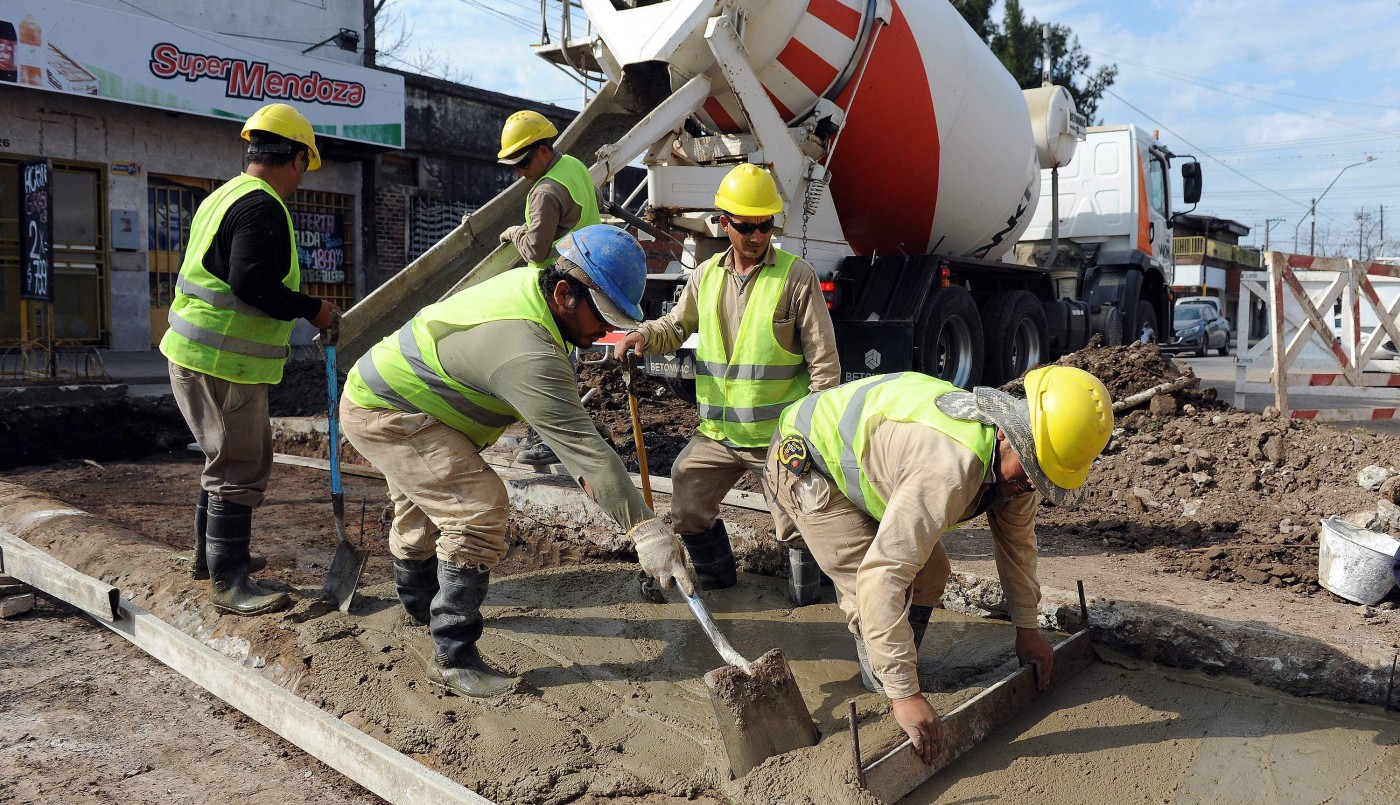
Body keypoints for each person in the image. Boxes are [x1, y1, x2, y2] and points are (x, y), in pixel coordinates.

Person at [340, 224, 694, 698]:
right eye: (603, 316)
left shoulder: (533, 289)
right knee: (477, 509)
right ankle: (452, 655)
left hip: (405, 395)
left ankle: (417, 604)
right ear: (566, 293)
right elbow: (586, 455)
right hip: (387, 410)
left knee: (426, 504)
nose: (607, 331)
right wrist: (647, 531)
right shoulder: (526, 350)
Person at [763, 366, 1113, 764]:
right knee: (867, 585)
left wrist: (1028, 629)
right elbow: (882, 577)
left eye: (1043, 478)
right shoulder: (948, 467)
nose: (1032, 486)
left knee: (931, 574)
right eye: (1031, 473)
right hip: (809, 458)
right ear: (1006, 432)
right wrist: (906, 695)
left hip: (878, 458)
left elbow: (1018, 548)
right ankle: (885, 688)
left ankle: (895, 666)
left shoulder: (1024, 470)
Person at [614, 163, 840, 605]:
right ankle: (718, 582)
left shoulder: (797, 277)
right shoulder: (706, 276)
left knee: (796, 524)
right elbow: (675, 328)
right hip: (718, 434)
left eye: (765, 226)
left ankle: (808, 602)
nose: (756, 237)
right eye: (745, 227)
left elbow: (824, 361)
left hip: (777, 435)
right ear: (723, 222)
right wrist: (643, 335)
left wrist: (815, 434)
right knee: (687, 495)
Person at [159, 102, 340, 617]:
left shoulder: (224, 195)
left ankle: (210, 558)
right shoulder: (262, 206)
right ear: (296, 159)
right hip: (222, 362)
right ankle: (229, 580)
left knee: (223, 461)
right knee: (240, 466)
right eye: (305, 166)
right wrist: (312, 311)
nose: (302, 178)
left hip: (202, 355)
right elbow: (250, 282)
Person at [496, 109, 606, 467]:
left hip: (556, 289)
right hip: (584, 277)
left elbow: (534, 250)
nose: (521, 172)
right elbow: (597, 205)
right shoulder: (573, 165)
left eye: (524, 162)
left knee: (549, 363)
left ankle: (549, 438)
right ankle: (579, 429)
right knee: (564, 360)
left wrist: (514, 232)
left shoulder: (543, 192)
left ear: (543, 150)